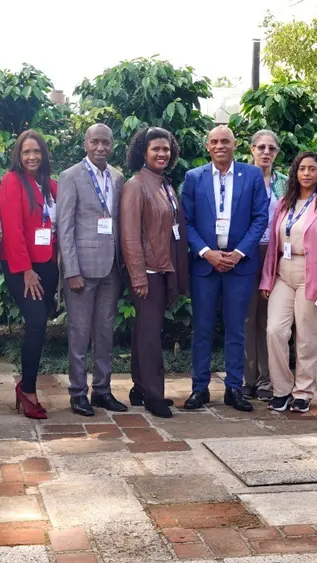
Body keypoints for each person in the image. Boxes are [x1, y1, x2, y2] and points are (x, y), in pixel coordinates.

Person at [181, 125, 270, 412]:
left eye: (226, 141)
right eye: (215, 142)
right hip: (204, 265)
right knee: (202, 328)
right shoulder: (194, 177)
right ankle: (199, 388)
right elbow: (187, 222)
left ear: (235, 145)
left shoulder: (252, 175)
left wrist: (239, 252)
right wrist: (207, 253)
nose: (220, 146)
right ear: (207, 146)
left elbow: (260, 218)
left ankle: (234, 388)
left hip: (240, 265)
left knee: (237, 328)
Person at [260, 151, 317, 413]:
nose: (306, 173)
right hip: (283, 273)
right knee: (275, 331)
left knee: (307, 336)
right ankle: (281, 389)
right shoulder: (285, 203)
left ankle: (303, 392)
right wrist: (266, 279)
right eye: (301, 169)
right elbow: (274, 243)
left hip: (312, 273)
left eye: (312, 169)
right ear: (295, 173)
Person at [56, 124, 128, 416]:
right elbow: (65, 226)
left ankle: (102, 390)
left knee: (104, 332)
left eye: (106, 143)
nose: (101, 147)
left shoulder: (117, 177)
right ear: (85, 144)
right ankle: (77, 393)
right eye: (95, 142)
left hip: (111, 267)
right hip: (82, 271)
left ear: (112, 146)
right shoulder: (70, 176)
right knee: (79, 332)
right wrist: (71, 270)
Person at [120, 127, 190, 418]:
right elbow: (130, 235)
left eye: (166, 149)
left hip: (163, 269)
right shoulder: (137, 185)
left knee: (146, 331)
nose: (162, 153)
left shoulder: (164, 184)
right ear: (143, 153)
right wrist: (138, 276)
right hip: (147, 271)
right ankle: (153, 394)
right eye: (155, 149)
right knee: (150, 335)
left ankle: (139, 387)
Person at [0, 130, 60, 420]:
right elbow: (12, 229)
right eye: (26, 152)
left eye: (36, 151)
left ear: (44, 154)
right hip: (22, 267)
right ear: (18, 155)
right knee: (36, 322)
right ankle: (28, 390)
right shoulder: (12, 181)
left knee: (41, 325)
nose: (32, 156)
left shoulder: (51, 185)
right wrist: (25, 270)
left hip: (48, 265)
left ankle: (27, 384)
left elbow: (58, 226)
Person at [242, 130, 287, 402]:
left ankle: (267, 380)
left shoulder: (285, 184)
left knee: (270, 320)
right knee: (248, 317)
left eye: (271, 148)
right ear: (251, 150)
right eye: (261, 147)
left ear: (277, 153)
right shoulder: (242, 180)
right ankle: (248, 378)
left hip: (277, 253)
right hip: (247, 252)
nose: (266, 152)